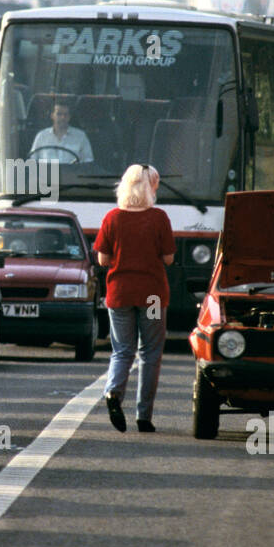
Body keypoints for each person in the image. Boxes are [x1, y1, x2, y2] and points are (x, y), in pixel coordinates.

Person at [93, 164, 174, 433]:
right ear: (150, 188)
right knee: (150, 352)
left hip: (120, 294)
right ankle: (144, 416)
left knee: (122, 350)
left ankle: (113, 393)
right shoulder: (159, 218)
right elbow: (168, 259)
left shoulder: (112, 218)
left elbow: (103, 259)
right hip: (151, 296)